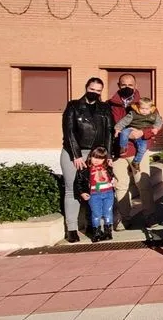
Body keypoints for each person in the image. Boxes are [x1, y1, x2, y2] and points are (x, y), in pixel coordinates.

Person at [60, 77, 113, 243]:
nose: (94, 93)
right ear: (86, 87)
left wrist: (109, 156)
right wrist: (76, 155)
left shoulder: (104, 108)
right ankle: (72, 229)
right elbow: (68, 131)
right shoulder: (73, 106)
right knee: (72, 190)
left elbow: (109, 133)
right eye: (92, 89)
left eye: (98, 90)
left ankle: (94, 226)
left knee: (95, 191)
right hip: (73, 152)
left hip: (96, 155)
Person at [107, 73, 153, 230]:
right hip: (119, 152)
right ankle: (124, 218)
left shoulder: (145, 104)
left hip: (139, 151)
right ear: (119, 86)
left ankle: (149, 217)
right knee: (121, 186)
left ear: (135, 86)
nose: (127, 88)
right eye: (124, 85)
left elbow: (156, 126)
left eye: (130, 85)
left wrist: (143, 133)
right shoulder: (110, 105)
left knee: (143, 184)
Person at [73, 147, 117, 242]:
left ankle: (108, 232)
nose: (97, 160)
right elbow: (78, 182)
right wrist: (82, 192)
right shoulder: (84, 169)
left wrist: (114, 181)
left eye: (100, 158)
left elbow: (112, 177)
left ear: (105, 159)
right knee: (96, 214)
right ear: (90, 156)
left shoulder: (108, 167)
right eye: (94, 157)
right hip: (94, 195)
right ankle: (96, 233)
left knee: (108, 212)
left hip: (108, 193)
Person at [113, 97, 163, 174]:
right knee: (124, 133)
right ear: (138, 107)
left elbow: (159, 122)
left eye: (146, 109)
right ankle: (123, 147)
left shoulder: (154, 115)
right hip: (132, 128)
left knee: (143, 148)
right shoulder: (133, 114)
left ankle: (136, 162)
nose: (144, 111)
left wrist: (156, 128)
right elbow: (124, 121)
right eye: (142, 108)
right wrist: (117, 129)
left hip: (142, 134)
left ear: (151, 108)